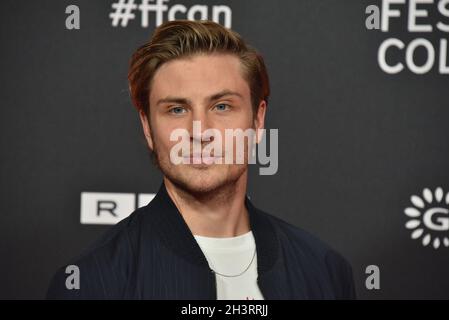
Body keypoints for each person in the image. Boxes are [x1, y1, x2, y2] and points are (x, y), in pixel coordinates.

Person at [46, 19, 356, 300]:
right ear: (148, 128)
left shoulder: (324, 271)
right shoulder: (95, 283)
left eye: (221, 106)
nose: (200, 131)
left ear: (258, 121)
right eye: (177, 110)